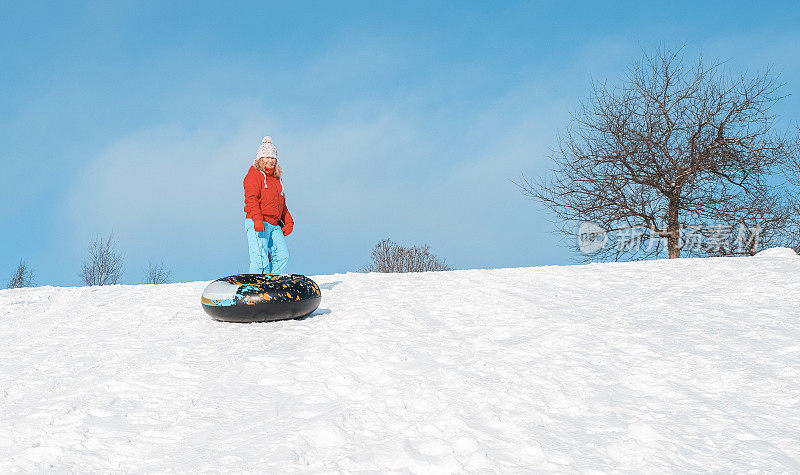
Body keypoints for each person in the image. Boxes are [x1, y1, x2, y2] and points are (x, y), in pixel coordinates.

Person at [243, 136, 293, 274]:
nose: (270, 160)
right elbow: (251, 199)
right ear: (260, 159)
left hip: (274, 224)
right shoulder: (254, 175)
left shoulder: (276, 179)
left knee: (283, 255)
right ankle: (255, 287)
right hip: (257, 221)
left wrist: (289, 222)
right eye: (266, 157)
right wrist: (257, 220)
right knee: (260, 259)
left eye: (272, 158)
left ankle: (270, 283)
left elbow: (281, 204)